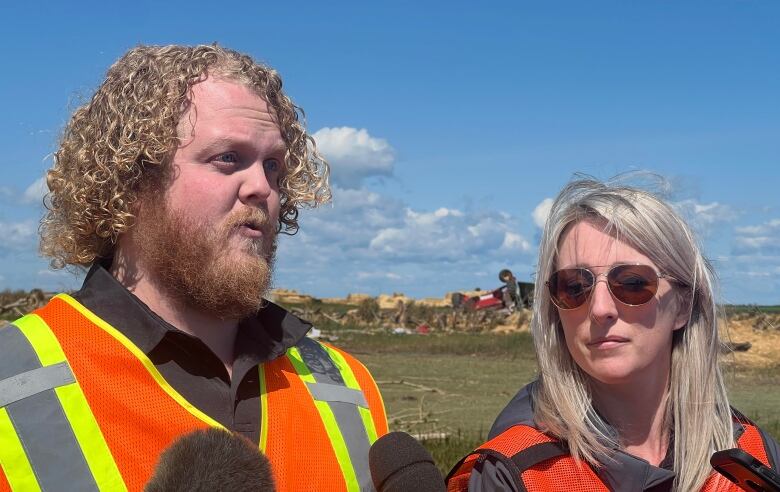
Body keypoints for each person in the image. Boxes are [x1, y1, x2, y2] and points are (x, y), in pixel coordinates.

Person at [0, 44, 387, 491]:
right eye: (228, 158)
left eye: (274, 165)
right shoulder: (15, 382)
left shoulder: (347, 388)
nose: (263, 187)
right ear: (130, 181)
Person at [447, 176, 780, 491]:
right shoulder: (515, 473)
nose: (599, 308)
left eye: (633, 284)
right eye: (575, 287)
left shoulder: (753, 457)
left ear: (683, 305)